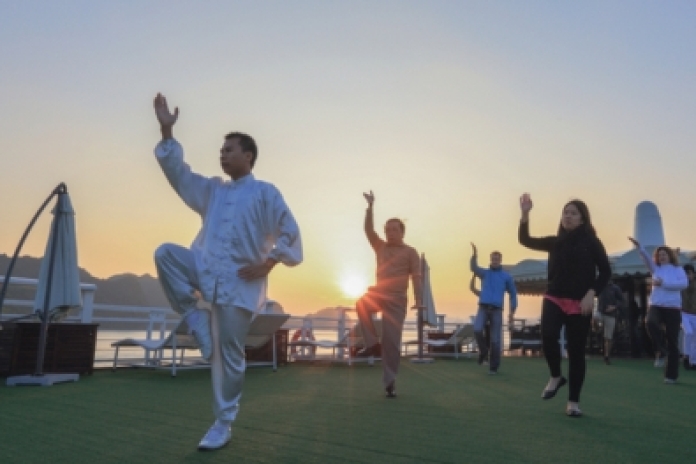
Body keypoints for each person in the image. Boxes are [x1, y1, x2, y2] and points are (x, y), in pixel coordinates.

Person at [151, 93, 303, 450]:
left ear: (248, 156)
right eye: (221, 150)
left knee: (229, 356)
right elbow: (179, 175)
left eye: (229, 149)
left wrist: (269, 262)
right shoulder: (213, 191)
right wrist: (166, 131)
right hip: (204, 270)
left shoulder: (266, 193)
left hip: (241, 285)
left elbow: (290, 231)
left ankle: (223, 422)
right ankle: (194, 318)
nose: (222, 155)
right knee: (165, 255)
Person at [518, 194, 611, 418]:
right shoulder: (555, 242)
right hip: (554, 297)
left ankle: (573, 402)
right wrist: (525, 214)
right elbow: (525, 240)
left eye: (573, 213)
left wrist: (592, 293)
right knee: (548, 335)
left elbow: (606, 271)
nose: (567, 216)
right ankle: (556, 376)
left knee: (576, 352)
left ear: (582, 219)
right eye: (565, 212)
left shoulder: (591, 242)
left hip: (580, 303)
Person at [355, 190, 422, 398]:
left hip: (397, 301)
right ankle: (372, 344)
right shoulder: (380, 247)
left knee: (392, 343)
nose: (390, 233)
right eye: (388, 230)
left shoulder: (411, 252)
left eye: (394, 230)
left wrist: (419, 301)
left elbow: (416, 278)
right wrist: (370, 208)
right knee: (362, 303)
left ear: (402, 232)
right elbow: (368, 230)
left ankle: (389, 382)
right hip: (379, 294)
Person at [629, 237, 687, 383]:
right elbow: (646, 259)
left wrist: (664, 283)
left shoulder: (678, 269)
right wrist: (639, 247)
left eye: (664, 254)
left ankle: (671, 375)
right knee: (650, 322)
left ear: (669, 255)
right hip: (656, 304)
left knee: (672, 340)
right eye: (659, 255)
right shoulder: (656, 269)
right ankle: (660, 351)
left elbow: (683, 284)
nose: (661, 257)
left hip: (673, 307)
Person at [470, 243, 518, 374]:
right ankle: (484, 351)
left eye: (497, 259)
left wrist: (512, 311)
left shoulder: (506, 276)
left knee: (495, 339)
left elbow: (513, 293)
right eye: (493, 258)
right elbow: (473, 267)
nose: (495, 260)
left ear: (500, 260)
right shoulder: (485, 273)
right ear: (490, 259)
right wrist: (474, 255)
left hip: (497, 309)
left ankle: (493, 367)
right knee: (477, 329)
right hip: (483, 307)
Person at [596, 280, 624, 365]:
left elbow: (622, 301)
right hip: (600, 312)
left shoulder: (615, 288)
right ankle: (597, 331)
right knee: (594, 318)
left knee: (608, 337)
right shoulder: (599, 286)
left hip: (610, 314)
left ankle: (606, 356)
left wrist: (614, 307)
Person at [681, 264, 696, 369]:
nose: (688, 276)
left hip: (694, 314)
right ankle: (686, 356)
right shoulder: (681, 285)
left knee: (695, 337)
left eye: (689, 273)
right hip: (684, 313)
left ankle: (693, 361)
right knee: (689, 332)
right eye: (685, 273)